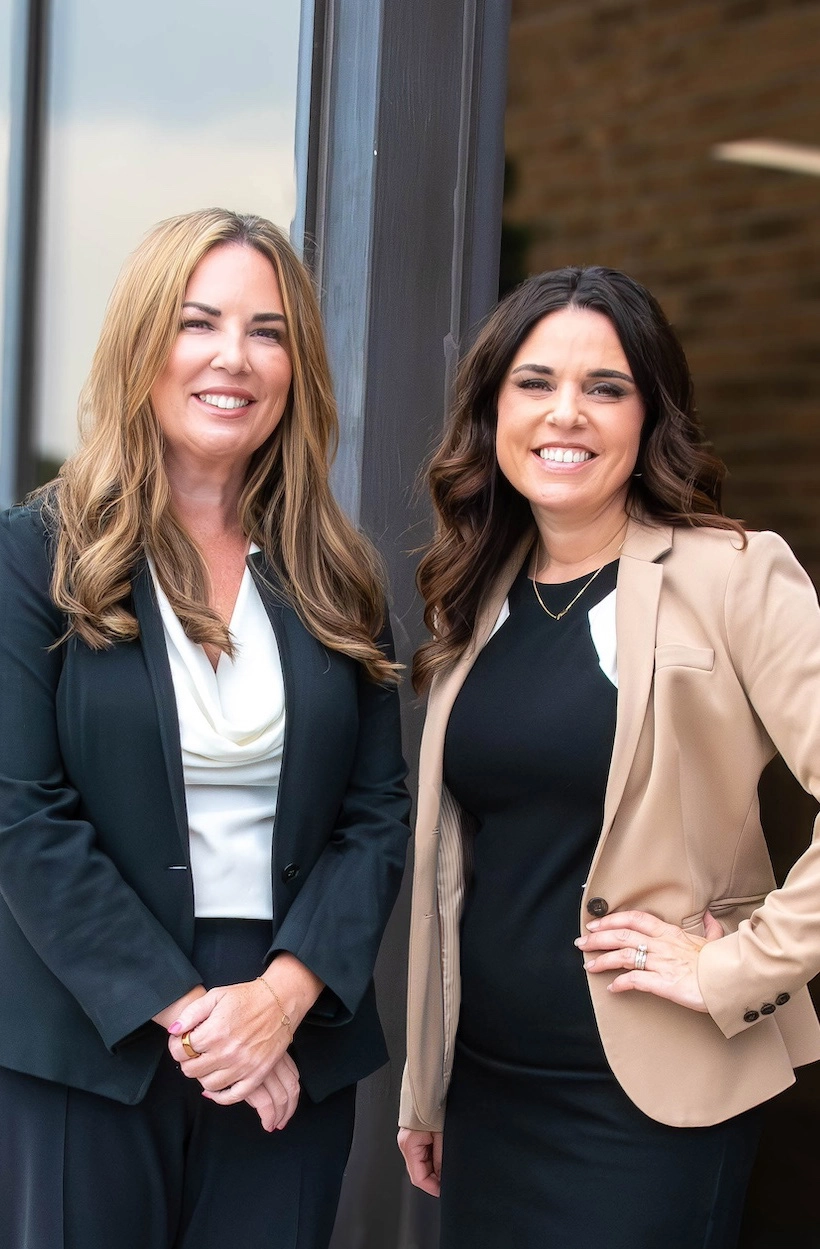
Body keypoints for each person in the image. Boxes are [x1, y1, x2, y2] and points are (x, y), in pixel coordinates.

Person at [0, 207, 410, 1249]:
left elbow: (376, 815)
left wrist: (278, 1000)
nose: (235, 357)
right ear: (143, 344)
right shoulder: (33, 556)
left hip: (294, 1022)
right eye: (200, 322)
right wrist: (197, 1018)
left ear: (297, 367)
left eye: (268, 331)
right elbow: (20, 811)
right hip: (91, 1031)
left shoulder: (338, 575)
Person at [397, 265, 820, 1249]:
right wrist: (427, 1085)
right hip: (487, 1092)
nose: (566, 414)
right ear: (493, 410)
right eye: (535, 382)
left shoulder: (731, 574)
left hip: (646, 1109)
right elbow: (463, 867)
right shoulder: (474, 597)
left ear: (649, 416)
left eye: (605, 387)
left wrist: (738, 966)